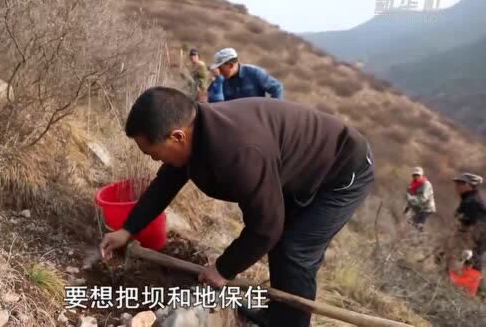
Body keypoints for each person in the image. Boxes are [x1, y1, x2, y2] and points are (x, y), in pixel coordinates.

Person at [99, 87, 374, 327]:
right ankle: (279, 318)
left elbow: (266, 228)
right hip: (297, 170)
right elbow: (165, 184)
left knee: (295, 251)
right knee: (282, 246)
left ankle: (290, 323)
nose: (154, 159)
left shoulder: (238, 153)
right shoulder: (198, 133)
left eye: (153, 153)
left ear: (177, 136)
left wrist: (223, 269)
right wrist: (127, 230)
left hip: (342, 170)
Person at [210, 47, 284, 101]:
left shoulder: (255, 73)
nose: (219, 71)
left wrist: (271, 111)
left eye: (220, 68)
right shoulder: (224, 81)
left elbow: (277, 88)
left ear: (230, 65)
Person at [453, 172, 486, 289]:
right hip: (469, 243)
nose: (456, 187)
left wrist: (469, 246)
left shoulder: (472, 202)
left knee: (473, 266)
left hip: (474, 244)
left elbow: (479, 227)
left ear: (468, 185)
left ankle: (467, 295)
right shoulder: (469, 200)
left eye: (459, 183)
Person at [404, 166, 436, 231]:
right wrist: (407, 208)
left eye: (418, 175)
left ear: (421, 175)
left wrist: (412, 199)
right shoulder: (413, 185)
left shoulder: (426, 184)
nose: (416, 177)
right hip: (419, 208)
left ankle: (423, 238)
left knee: (418, 224)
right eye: (414, 175)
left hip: (427, 208)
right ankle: (419, 237)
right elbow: (409, 197)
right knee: (411, 222)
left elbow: (423, 198)